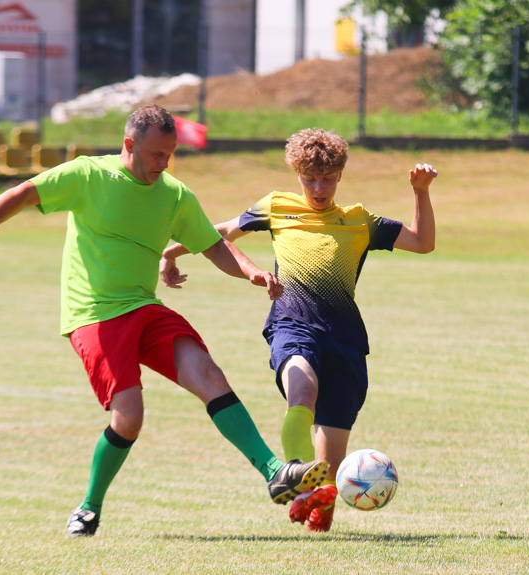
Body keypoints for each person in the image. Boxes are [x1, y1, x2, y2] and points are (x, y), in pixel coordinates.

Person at [0, 105, 328, 538]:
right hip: (94, 313)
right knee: (129, 418)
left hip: (144, 307)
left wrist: (251, 271)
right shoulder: (88, 175)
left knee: (209, 375)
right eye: (155, 154)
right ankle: (89, 507)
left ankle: (273, 472)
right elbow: (24, 192)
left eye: (169, 154)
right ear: (129, 145)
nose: (163, 163)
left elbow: (212, 244)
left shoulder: (174, 194)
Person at [160, 128, 436, 532]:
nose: (318, 188)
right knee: (301, 391)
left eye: (326, 179)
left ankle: (317, 510)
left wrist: (420, 192)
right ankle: (295, 481)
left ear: (340, 175)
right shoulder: (276, 207)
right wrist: (173, 250)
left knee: (329, 465)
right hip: (291, 324)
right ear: (296, 173)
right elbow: (219, 231)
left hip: (345, 339)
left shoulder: (359, 220)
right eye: (309, 179)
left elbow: (423, 242)